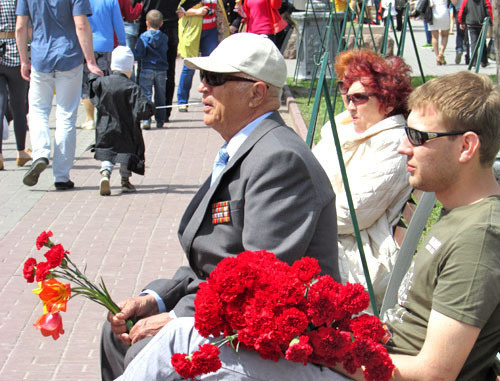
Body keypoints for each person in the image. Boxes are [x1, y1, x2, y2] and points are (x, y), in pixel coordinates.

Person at [118, 70, 500, 381]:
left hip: (371, 372)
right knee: (180, 339)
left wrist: (314, 348)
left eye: (418, 137)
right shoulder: (461, 216)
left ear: (467, 147)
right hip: (370, 357)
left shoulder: (480, 235)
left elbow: (434, 373)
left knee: (177, 344)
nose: (403, 147)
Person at [100, 32, 340, 380]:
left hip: (271, 336)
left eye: (214, 79)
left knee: (143, 346)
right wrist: (157, 298)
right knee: (118, 331)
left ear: (257, 93)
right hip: (226, 310)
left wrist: (176, 319)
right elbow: (211, 264)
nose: (202, 88)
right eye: (202, 77)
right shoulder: (249, 147)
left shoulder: (280, 159)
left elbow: (259, 280)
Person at [313, 50, 412, 307]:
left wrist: (294, 211)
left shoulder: (393, 143)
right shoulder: (343, 131)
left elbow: (351, 215)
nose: (349, 105)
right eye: (347, 94)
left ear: (389, 103)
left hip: (360, 252)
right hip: (328, 234)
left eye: (359, 98)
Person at [16, 0, 103, 190]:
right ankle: (62, 176)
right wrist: (90, 61)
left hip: (40, 56)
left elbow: (21, 27)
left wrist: (24, 60)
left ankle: (40, 152)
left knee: (38, 110)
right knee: (66, 114)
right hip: (70, 56)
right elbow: (81, 24)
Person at [89, 46, 155, 196]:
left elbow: (92, 90)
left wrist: (93, 76)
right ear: (129, 67)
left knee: (108, 152)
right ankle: (125, 181)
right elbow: (143, 110)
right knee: (126, 153)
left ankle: (105, 173)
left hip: (105, 127)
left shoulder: (102, 83)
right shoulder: (132, 87)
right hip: (126, 130)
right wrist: (151, 108)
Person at [138, 0, 200, 123]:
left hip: (149, 22)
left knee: (145, 71)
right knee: (167, 72)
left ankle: (145, 114)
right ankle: (163, 113)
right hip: (167, 23)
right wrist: (183, 7)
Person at [80, 0, 126, 130]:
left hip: (85, 45)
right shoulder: (111, 1)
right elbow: (118, 24)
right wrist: (122, 44)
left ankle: (90, 119)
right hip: (105, 45)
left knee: (86, 84)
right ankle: (105, 117)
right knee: (105, 83)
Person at [176, 0, 228, 112]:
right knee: (189, 67)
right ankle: (182, 101)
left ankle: (211, 99)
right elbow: (179, 10)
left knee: (210, 67)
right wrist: (197, 11)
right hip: (193, 32)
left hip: (211, 31)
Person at [0, 0, 30, 170]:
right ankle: (20, 151)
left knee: (0, 102)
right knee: (18, 106)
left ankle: (0, 154)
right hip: (15, 54)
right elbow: (23, 28)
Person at [135, 10, 169, 129]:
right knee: (160, 95)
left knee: (146, 94)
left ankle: (146, 119)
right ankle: (160, 120)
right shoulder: (164, 37)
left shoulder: (143, 37)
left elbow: (139, 53)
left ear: (147, 23)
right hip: (161, 69)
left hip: (147, 68)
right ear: (161, 23)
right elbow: (165, 51)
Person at [458, 0, 493, 68]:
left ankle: (473, 61)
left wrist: (461, 21)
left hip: (471, 23)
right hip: (482, 23)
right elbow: (488, 9)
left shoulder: (466, 0)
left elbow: (462, 10)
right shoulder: (485, 0)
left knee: (473, 42)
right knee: (483, 42)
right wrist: (491, 21)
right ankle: (484, 61)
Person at [428, 0, 450, 65]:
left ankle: (437, 56)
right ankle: (441, 53)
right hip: (444, 12)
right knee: (445, 35)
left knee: (434, 36)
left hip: (433, 13)